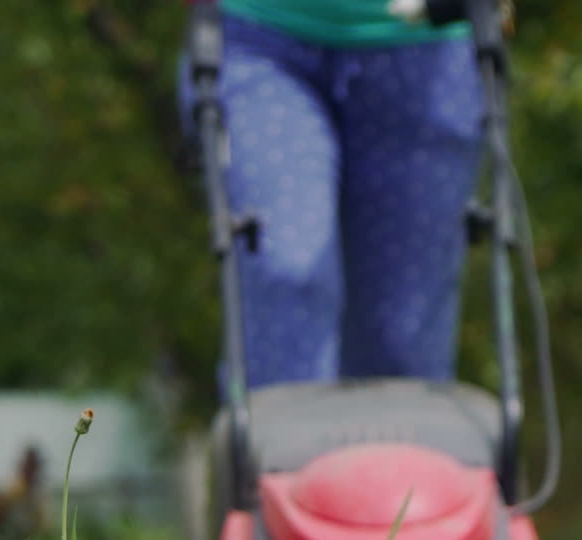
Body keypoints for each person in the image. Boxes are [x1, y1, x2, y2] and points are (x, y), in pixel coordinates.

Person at [181, 0, 485, 389]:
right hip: (259, 37)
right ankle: (276, 446)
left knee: (399, 345)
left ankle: (394, 448)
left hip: (429, 48)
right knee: (287, 269)